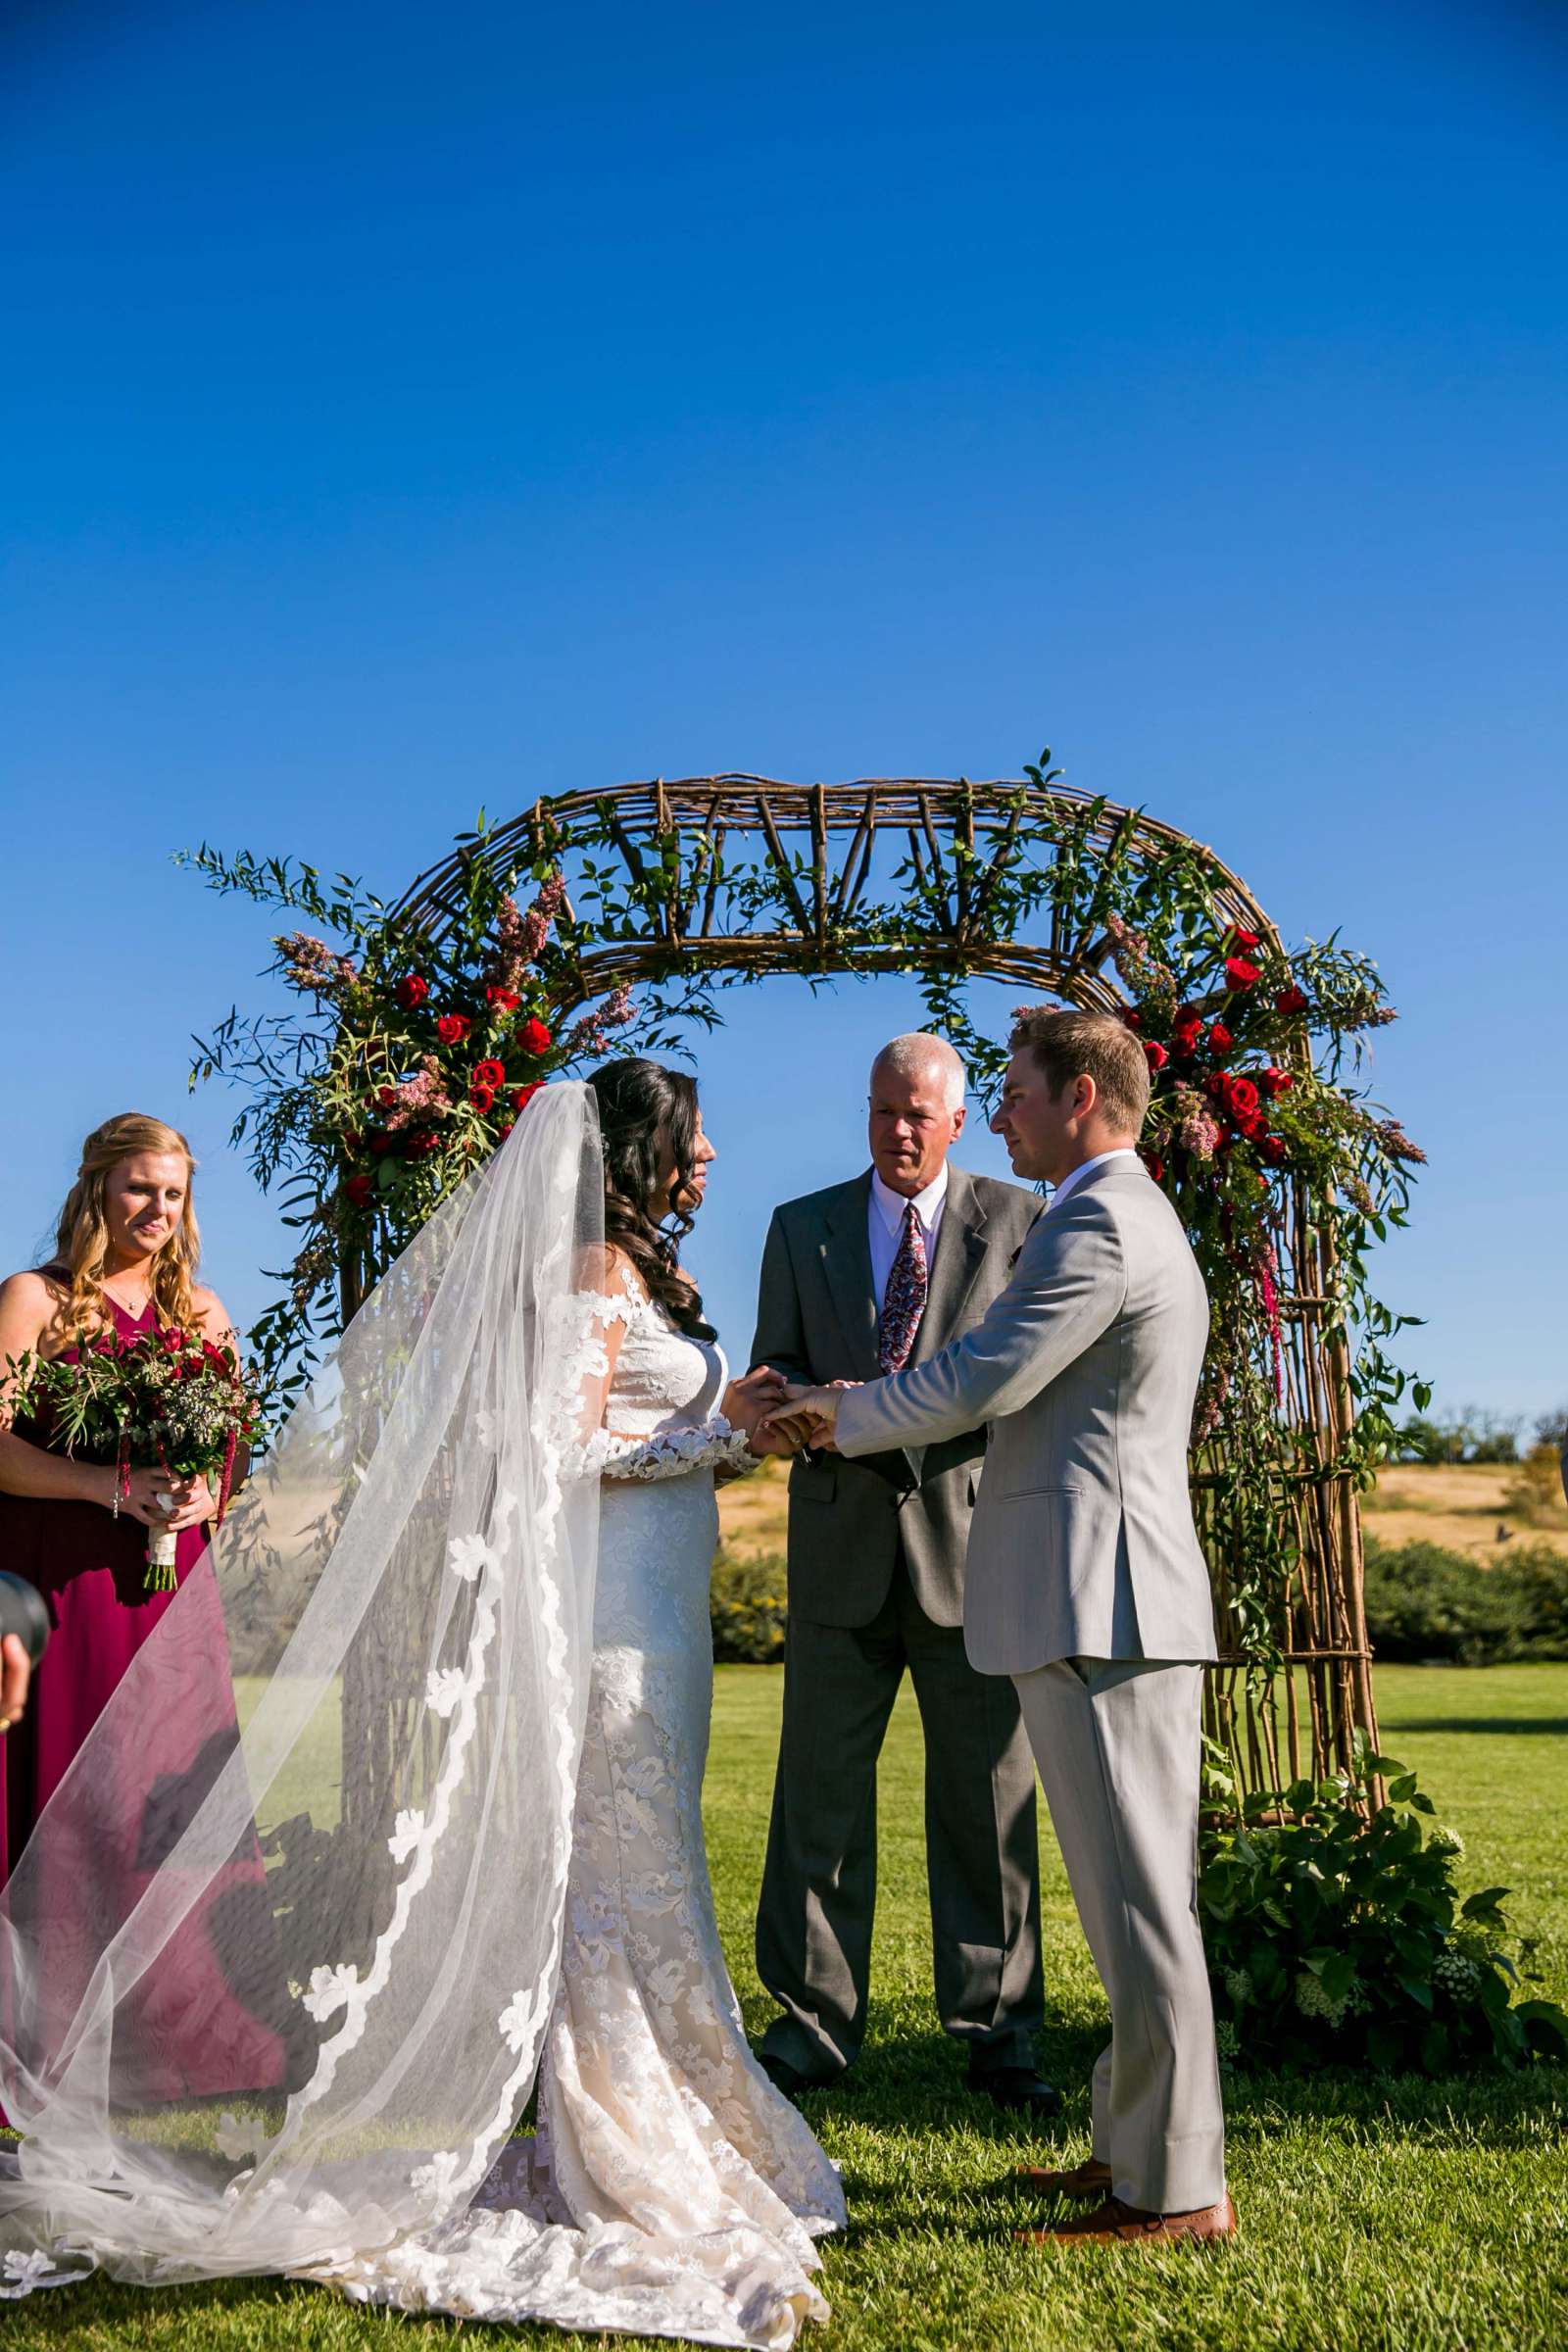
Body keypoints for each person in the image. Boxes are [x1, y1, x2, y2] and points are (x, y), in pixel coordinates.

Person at [1, 1072, 844, 2349]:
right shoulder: (593, 1274)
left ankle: (660, 2112)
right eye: (695, 1134)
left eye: (177, 1191)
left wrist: (730, 1416)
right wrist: (719, 1442)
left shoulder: (630, 1275)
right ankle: (620, 2135)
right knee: (622, 1881)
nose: (715, 1150)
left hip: (657, 1619)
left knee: (647, 1879)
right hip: (606, 1623)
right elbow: (561, 1448)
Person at [764, 1007, 1235, 2246]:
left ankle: (1175, 2191)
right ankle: (1131, 2146)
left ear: (1079, 1095)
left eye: (1018, 1091)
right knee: (1125, 1899)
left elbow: (982, 1377)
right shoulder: (1111, 1212)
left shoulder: (1097, 1220)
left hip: (1104, 1597)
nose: (1006, 1114)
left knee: (1140, 1907)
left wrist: (833, 1410)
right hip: (1090, 1594)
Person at [748, 1034, 1054, 2112]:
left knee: (988, 1800)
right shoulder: (799, 1228)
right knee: (818, 1803)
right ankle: (811, 2026)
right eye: (883, 1111)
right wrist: (782, 1392)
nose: (899, 1131)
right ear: (865, 1110)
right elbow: (771, 1363)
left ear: (958, 1119)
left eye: (919, 1113)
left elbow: (1028, 1377)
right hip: (836, 1549)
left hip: (977, 1553)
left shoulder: (1022, 1222)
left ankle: (1000, 2031)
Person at [0, 1112, 289, 2109]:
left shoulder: (204, 1314)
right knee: (65, 1805)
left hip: (172, 1593)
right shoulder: (35, 1300)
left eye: (173, 1194)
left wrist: (210, 1490)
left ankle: (171, 2045)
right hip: (68, 1583)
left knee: (165, 1802)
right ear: (95, 1190)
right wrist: (109, 1489)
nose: (157, 1211)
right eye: (138, 1189)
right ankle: (44, 2046)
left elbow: (232, 1448)